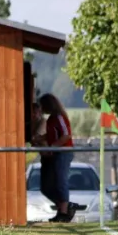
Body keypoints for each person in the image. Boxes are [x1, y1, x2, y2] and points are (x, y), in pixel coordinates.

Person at [39, 94, 77, 223]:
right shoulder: (51, 119)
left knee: (61, 181)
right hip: (56, 153)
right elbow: (52, 135)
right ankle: (64, 207)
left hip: (64, 152)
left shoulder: (59, 117)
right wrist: (41, 138)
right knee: (51, 185)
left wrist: (52, 146)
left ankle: (64, 211)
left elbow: (66, 135)